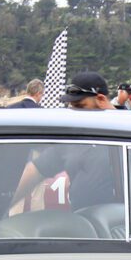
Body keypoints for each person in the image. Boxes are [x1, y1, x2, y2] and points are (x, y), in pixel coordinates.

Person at [10, 73, 118, 210]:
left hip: (126, 223)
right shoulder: (74, 140)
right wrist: (4, 207)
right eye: (71, 107)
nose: (74, 113)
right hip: (85, 222)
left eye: (80, 106)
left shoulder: (130, 132)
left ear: (101, 99)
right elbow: (35, 170)